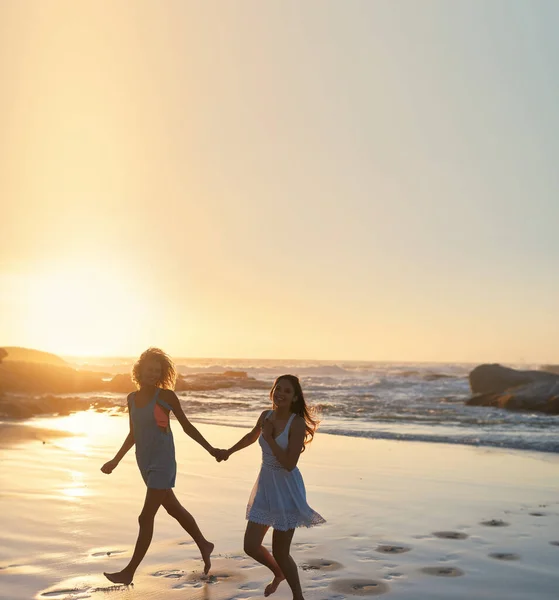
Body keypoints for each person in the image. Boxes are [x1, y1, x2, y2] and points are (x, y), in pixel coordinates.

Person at [101, 348, 216, 584]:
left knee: (145, 518)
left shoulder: (166, 397)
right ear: (139, 370)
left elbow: (187, 427)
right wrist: (115, 460)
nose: (153, 374)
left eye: (157, 370)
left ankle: (129, 571)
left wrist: (212, 449)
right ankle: (205, 544)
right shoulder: (131, 399)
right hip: (144, 459)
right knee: (173, 508)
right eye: (149, 369)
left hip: (163, 461)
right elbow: (133, 433)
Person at [215, 374, 325, 600]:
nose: (281, 393)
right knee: (250, 545)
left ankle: (298, 597)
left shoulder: (296, 423)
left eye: (287, 391)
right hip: (265, 485)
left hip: (286, 488)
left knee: (281, 552)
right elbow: (251, 436)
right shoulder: (266, 416)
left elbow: (288, 463)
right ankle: (278, 573)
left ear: (295, 397)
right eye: (278, 389)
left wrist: (271, 438)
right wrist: (228, 451)